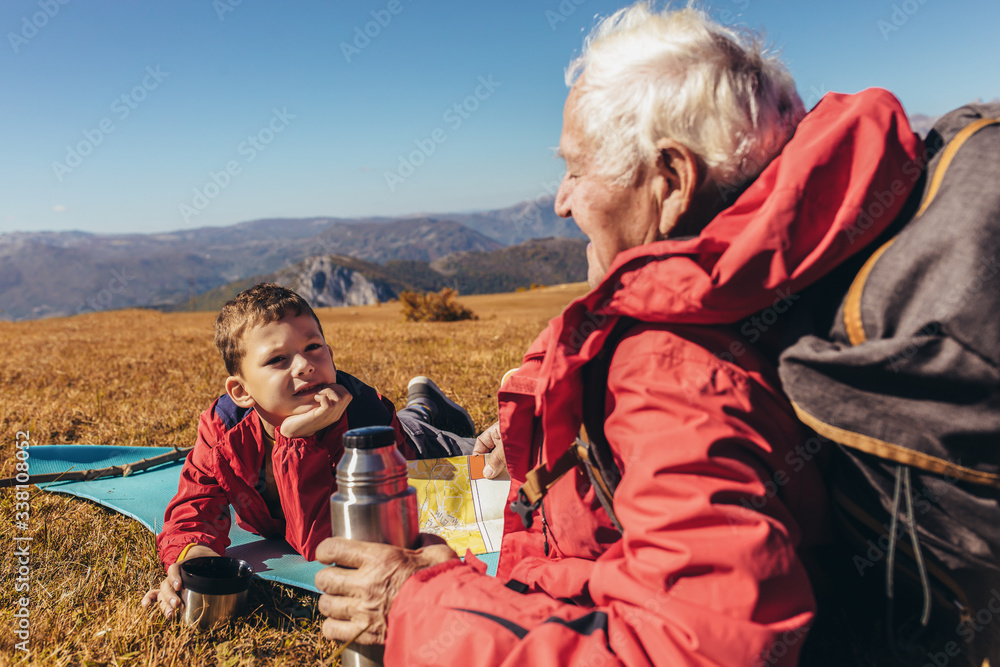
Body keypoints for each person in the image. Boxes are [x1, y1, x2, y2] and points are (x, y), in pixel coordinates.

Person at [314, 5, 924, 665]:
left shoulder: (666, 366)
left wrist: (418, 603)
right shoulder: (778, 274)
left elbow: (697, 648)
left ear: (670, 180)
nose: (561, 200)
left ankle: (426, 413)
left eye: (576, 168)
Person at [141, 282, 475, 618]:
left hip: (418, 446)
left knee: (475, 453)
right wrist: (194, 560)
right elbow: (194, 509)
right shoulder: (224, 431)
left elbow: (325, 544)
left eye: (313, 347)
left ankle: (427, 408)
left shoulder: (368, 420)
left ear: (330, 355)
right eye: (278, 359)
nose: (304, 365)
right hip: (390, 428)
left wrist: (299, 441)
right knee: (416, 416)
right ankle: (423, 401)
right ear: (241, 392)